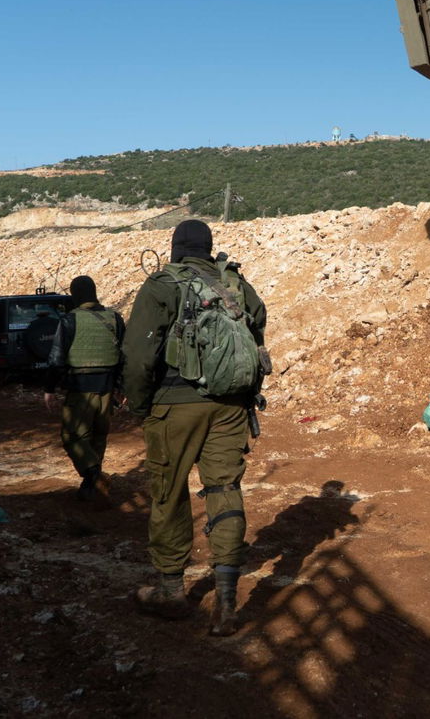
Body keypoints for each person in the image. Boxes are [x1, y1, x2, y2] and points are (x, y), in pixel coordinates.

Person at [122, 219, 267, 636]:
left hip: (174, 405)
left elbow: (137, 355)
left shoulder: (162, 285)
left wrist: (140, 403)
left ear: (174, 248)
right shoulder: (234, 283)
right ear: (208, 248)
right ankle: (225, 601)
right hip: (230, 406)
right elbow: (257, 325)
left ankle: (171, 590)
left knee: (169, 491)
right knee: (224, 489)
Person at [44, 275, 125, 502]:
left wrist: (49, 388)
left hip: (80, 389)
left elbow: (56, 358)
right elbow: (123, 356)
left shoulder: (70, 320)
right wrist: (121, 387)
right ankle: (92, 489)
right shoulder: (114, 318)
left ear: (75, 295)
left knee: (73, 436)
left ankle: (93, 474)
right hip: (108, 389)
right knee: (98, 437)